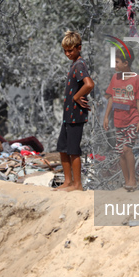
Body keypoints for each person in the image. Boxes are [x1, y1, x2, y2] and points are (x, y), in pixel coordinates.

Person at [54, 30, 95, 192]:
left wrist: (78, 96)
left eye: (70, 50)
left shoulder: (79, 64)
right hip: (68, 115)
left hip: (75, 115)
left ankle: (77, 185)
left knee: (73, 149)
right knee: (62, 148)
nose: (67, 53)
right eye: (65, 50)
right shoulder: (74, 64)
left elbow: (89, 84)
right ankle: (68, 182)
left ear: (79, 48)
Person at [103, 48, 139, 191]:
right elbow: (111, 98)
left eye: (117, 62)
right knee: (121, 152)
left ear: (126, 63)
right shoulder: (115, 78)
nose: (114, 64)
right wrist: (106, 117)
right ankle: (127, 180)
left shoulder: (136, 79)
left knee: (127, 148)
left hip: (132, 119)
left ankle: (133, 180)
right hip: (118, 120)